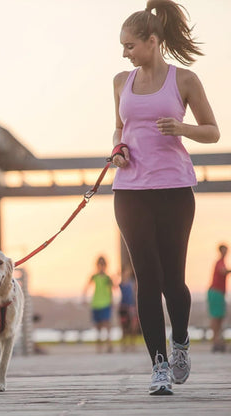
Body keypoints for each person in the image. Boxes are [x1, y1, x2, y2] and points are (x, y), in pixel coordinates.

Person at [111, 0, 220, 395]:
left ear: (152, 41)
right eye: (123, 46)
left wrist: (182, 128)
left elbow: (213, 131)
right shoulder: (121, 82)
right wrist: (119, 150)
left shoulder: (185, 80)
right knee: (147, 280)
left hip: (174, 190)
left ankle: (180, 342)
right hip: (130, 192)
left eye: (129, 45)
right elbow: (118, 130)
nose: (124, 53)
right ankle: (158, 364)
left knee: (173, 280)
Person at [83, 256, 113, 353]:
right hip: (96, 303)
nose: (101, 266)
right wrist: (84, 298)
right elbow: (86, 287)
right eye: (100, 264)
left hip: (106, 303)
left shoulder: (108, 278)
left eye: (103, 264)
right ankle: (99, 347)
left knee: (107, 324)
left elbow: (112, 290)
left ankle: (109, 345)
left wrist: (111, 301)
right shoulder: (94, 276)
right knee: (98, 327)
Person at [207, 244, 231, 352]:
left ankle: (219, 341)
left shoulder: (223, 263)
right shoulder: (219, 262)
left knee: (220, 318)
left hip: (220, 293)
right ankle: (216, 342)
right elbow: (223, 271)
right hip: (215, 292)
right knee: (216, 318)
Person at [118, 263, 139, 352]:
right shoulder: (121, 283)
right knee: (124, 327)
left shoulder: (133, 282)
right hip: (124, 307)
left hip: (132, 306)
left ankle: (132, 344)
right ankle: (124, 345)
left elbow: (135, 293)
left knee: (133, 326)